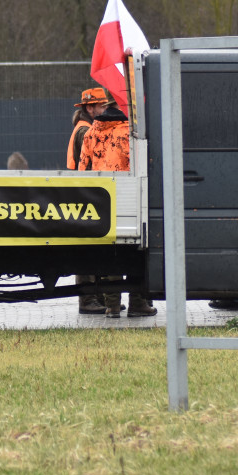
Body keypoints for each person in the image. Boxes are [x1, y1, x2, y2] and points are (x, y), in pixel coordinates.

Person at [79, 97, 157, 319]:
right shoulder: (130, 133)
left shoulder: (91, 132)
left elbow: (82, 168)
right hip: (128, 200)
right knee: (134, 255)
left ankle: (112, 306)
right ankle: (138, 304)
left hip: (99, 201)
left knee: (110, 255)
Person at [69, 87, 111, 315]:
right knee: (86, 249)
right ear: (90, 108)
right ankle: (87, 300)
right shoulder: (85, 132)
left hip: (84, 193)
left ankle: (97, 297)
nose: (105, 109)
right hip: (84, 195)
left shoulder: (85, 128)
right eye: (101, 106)